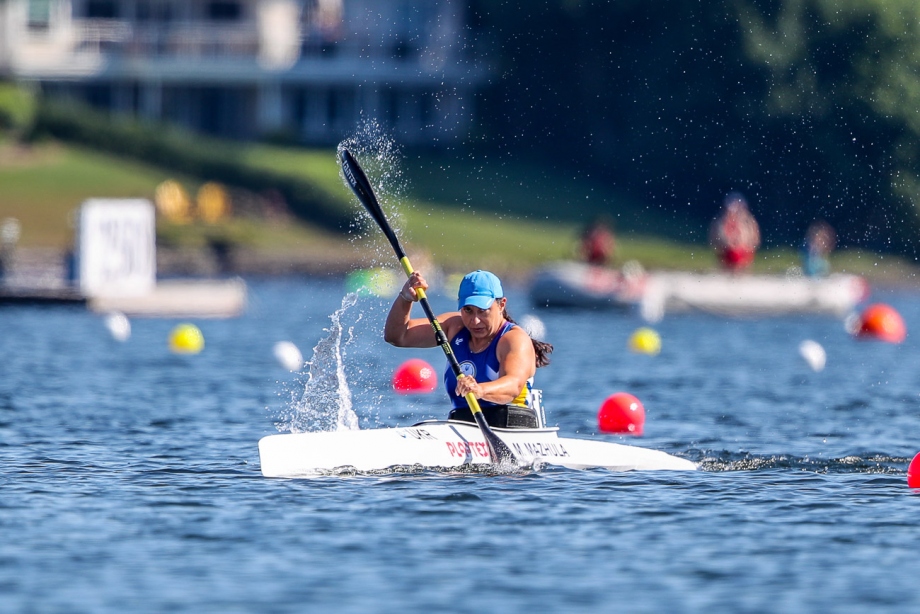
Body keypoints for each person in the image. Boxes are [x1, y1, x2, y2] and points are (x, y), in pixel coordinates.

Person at [384, 269, 553, 429]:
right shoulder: (454, 327)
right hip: (463, 426)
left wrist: (480, 390)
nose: (475, 321)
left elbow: (513, 386)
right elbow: (398, 336)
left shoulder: (513, 339)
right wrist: (405, 298)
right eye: (468, 310)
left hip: (512, 428)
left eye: (483, 311)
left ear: (501, 304)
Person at [709, 192, 760, 272]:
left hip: (743, 251)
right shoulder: (720, 222)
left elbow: (754, 239)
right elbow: (715, 240)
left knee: (739, 256)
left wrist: (746, 245)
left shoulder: (748, 221)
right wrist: (728, 244)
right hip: (727, 251)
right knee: (731, 255)